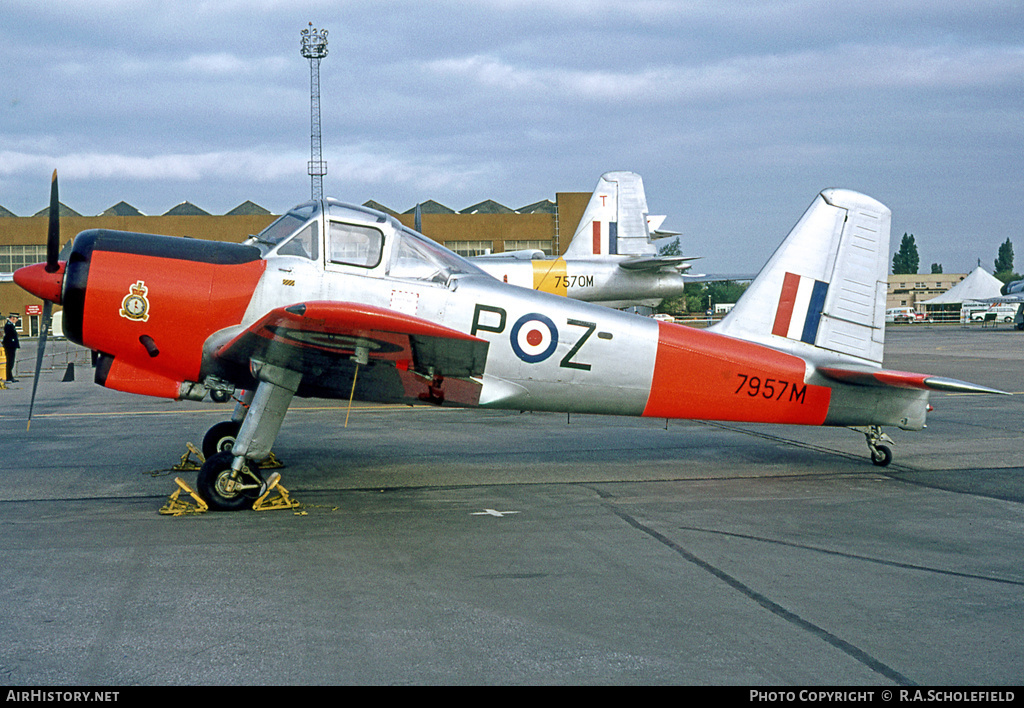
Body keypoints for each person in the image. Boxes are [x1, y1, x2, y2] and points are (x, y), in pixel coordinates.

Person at [3, 314, 20, 382]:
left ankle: (10, 376)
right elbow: (9, 336)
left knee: (11, 361)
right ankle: (9, 377)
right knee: (10, 361)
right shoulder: (8, 325)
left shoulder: (11, 325)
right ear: (12, 318)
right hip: (10, 346)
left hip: (11, 345)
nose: (17, 320)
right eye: (16, 318)